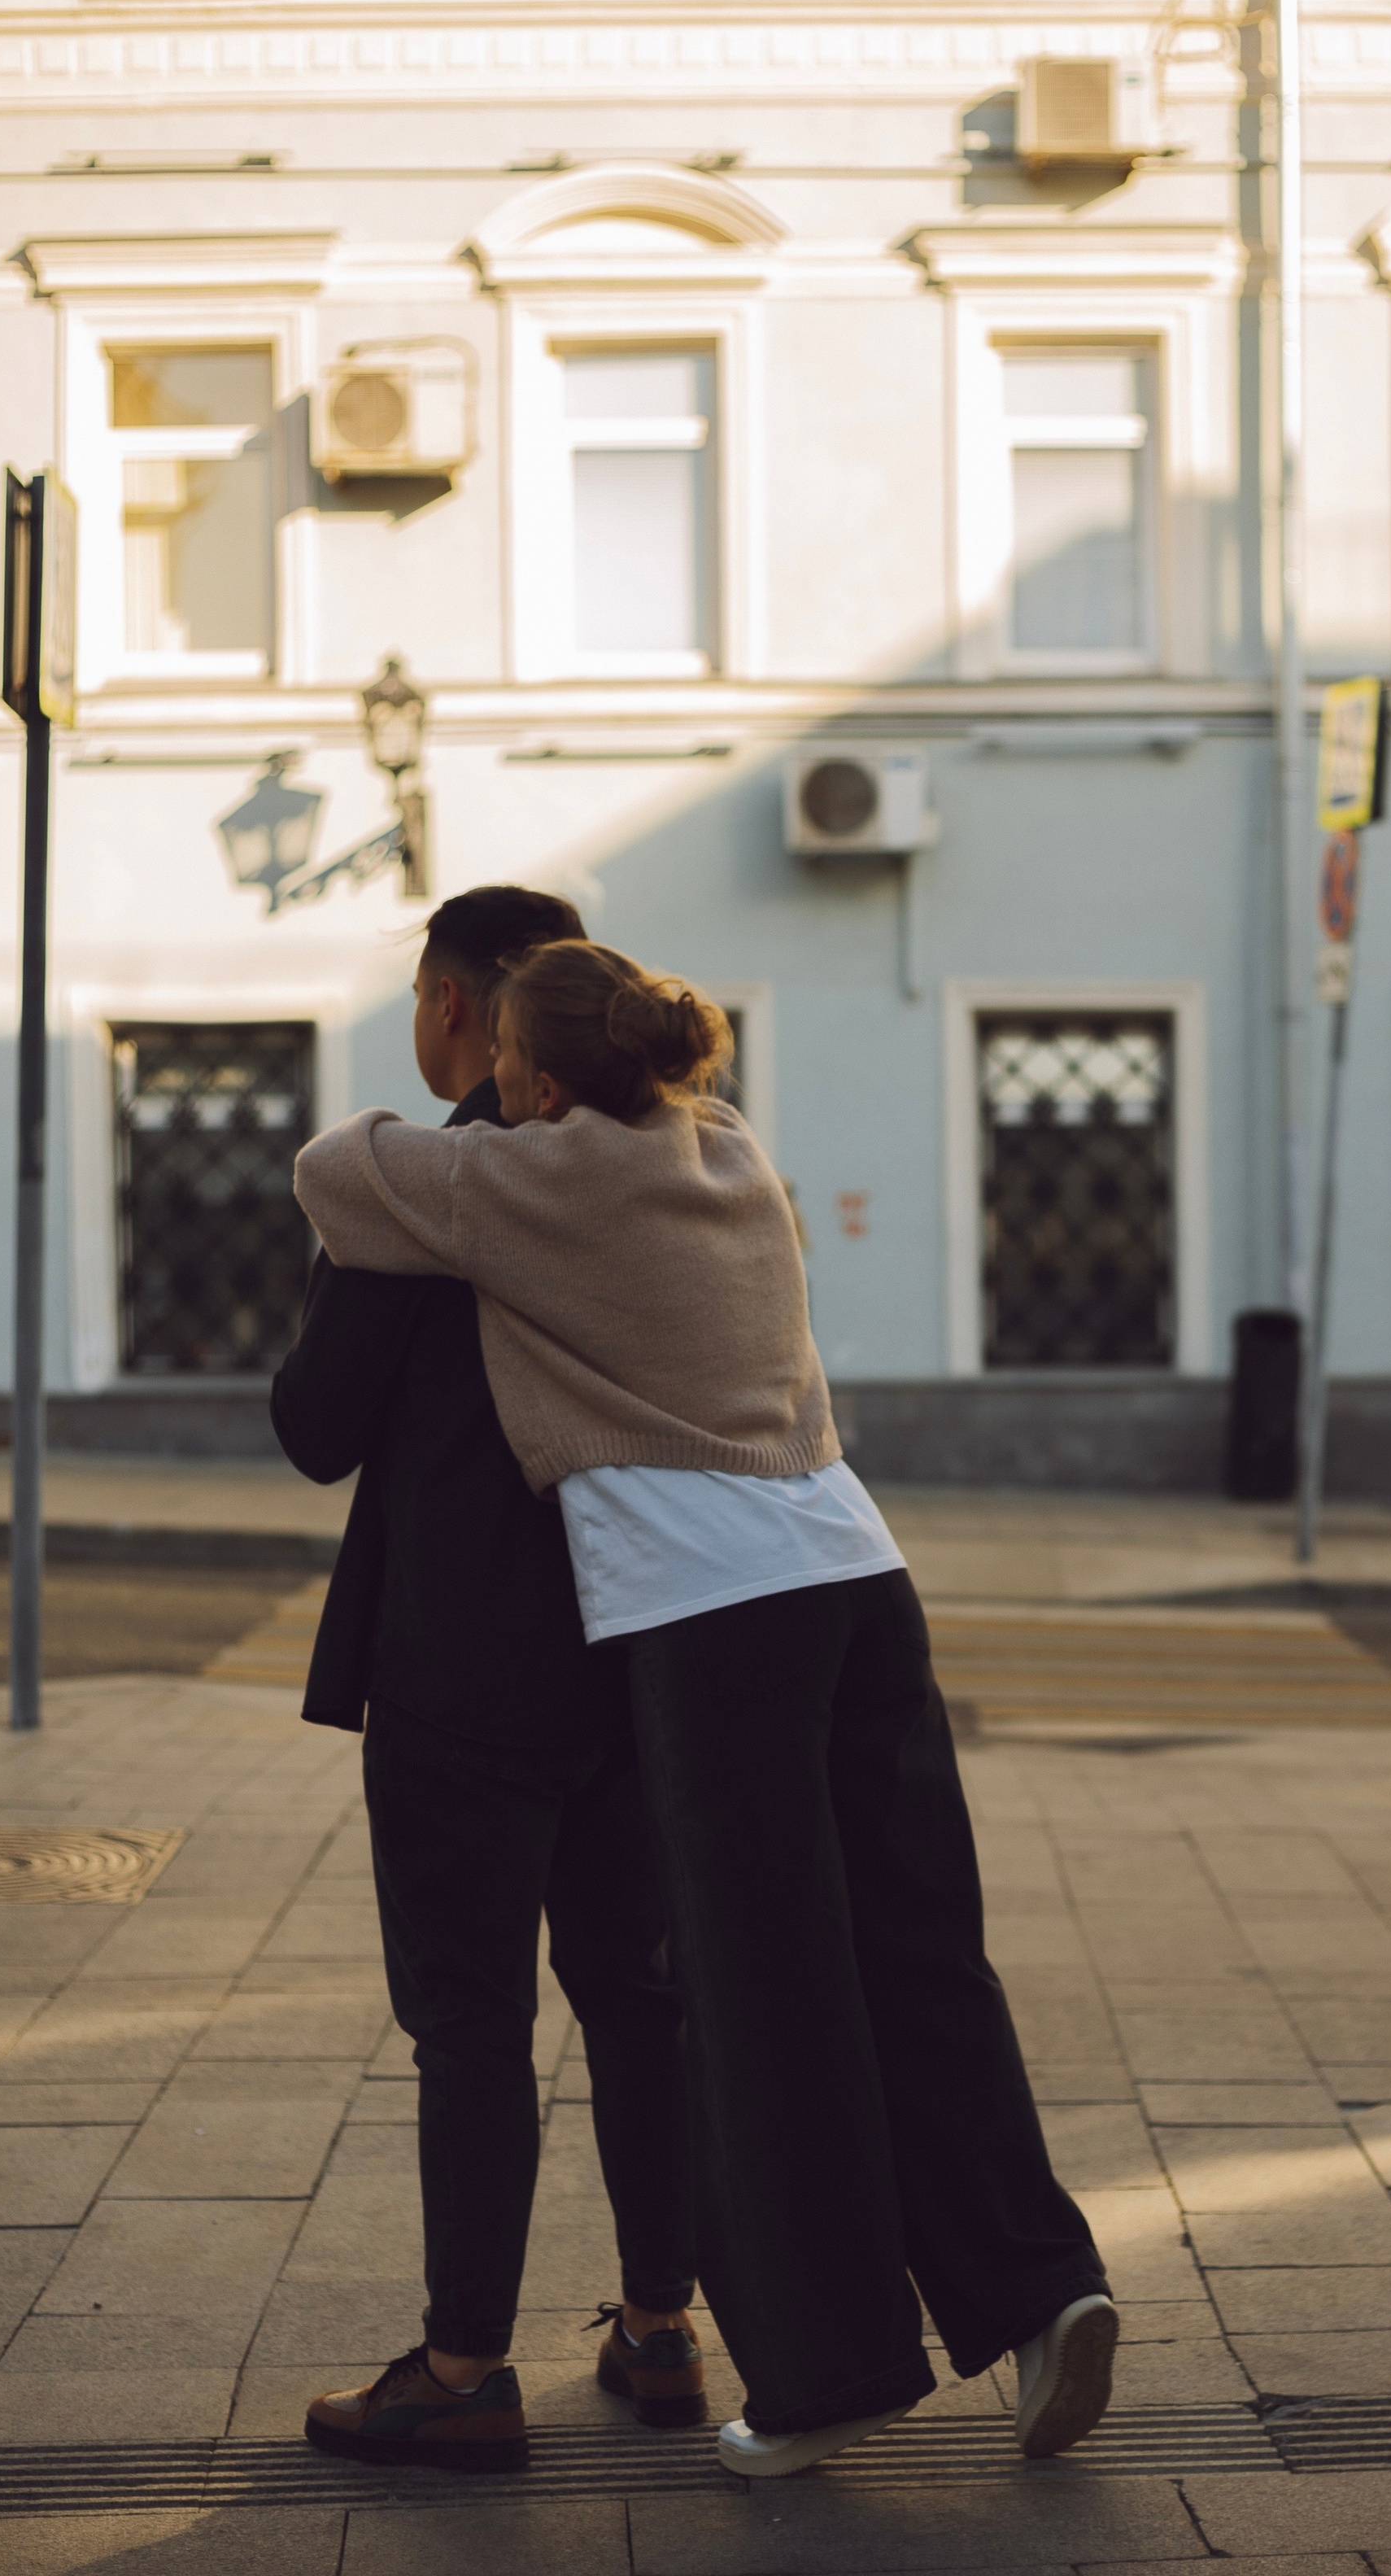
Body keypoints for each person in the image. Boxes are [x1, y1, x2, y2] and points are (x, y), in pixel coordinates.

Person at [291, 938, 1118, 2481]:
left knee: (763, 1998)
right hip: (858, 1573)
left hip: (713, 1619)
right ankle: (1042, 2283)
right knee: (925, 1956)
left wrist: (483, 1118)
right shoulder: (728, 1149)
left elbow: (336, 1170)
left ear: (529, 1080)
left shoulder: (526, 1186)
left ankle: (826, 2372)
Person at [272, 891, 703, 2477]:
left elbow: (316, 1426)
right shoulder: (671, 1166)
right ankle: (661, 2328)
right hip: (637, 1648)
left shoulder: (432, 1189)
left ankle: (463, 2365)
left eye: (418, 993)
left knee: (471, 2025)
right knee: (638, 2002)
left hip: (459, 1668)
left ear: (460, 1011)